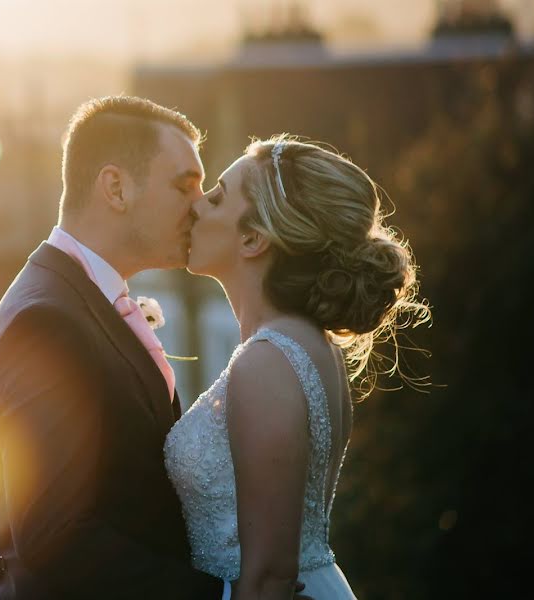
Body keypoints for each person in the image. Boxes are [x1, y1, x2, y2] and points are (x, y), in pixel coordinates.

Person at [0, 97, 312, 600]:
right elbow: (56, 537)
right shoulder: (45, 321)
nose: (198, 205)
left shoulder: (81, 299)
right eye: (183, 185)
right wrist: (221, 597)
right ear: (116, 188)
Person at [165, 136, 429, 600]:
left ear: (253, 238)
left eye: (218, 196)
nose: (196, 206)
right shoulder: (304, 344)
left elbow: (269, 574)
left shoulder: (267, 362)